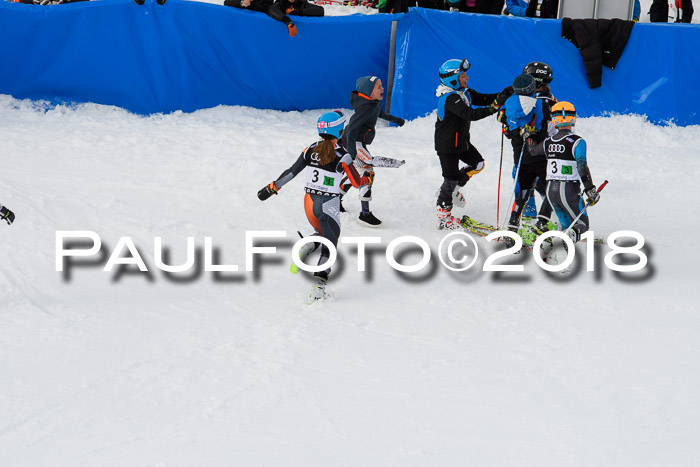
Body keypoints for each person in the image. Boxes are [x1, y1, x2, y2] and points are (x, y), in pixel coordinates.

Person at [256, 111, 371, 303]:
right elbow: (357, 183)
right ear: (341, 130)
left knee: (321, 232)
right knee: (329, 246)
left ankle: (304, 249)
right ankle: (318, 288)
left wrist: (272, 187)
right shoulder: (344, 156)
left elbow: (291, 172)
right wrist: (367, 178)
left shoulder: (310, 148)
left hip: (309, 202)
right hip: (329, 204)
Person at [434, 58, 512, 230]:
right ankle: (443, 216)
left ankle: (453, 190)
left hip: (461, 142)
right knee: (450, 179)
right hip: (447, 147)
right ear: (452, 79)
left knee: (478, 164)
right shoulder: (449, 98)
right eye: (463, 76)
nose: (467, 78)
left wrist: (503, 96)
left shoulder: (464, 92)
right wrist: (494, 108)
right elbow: (471, 115)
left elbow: (484, 98)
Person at [338, 76, 405, 227]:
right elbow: (351, 130)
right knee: (367, 172)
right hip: (353, 143)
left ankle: (336, 200)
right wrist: (352, 153)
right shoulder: (365, 108)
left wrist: (397, 120)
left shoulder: (373, 104)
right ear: (369, 91)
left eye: (382, 86)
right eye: (379, 87)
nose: (382, 89)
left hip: (358, 142)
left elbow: (380, 114)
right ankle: (365, 214)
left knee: (357, 172)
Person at [532, 101, 600, 243]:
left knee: (565, 225)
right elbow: (582, 166)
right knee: (582, 225)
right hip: (568, 189)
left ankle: (553, 249)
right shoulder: (578, 141)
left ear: (554, 119)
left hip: (550, 190)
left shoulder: (547, 142)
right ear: (573, 118)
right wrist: (590, 189)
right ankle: (565, 246)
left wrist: (527, 137)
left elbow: (532, 151)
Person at [500, 74, 553, 246]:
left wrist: (509, 126)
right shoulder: (539, 104)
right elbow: (548, 129)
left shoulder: (509, 103)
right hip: (539, 156)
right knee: (551, 191)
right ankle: (543, 223)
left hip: (521, 157)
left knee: (522, 192)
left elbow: (507, 127)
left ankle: (512, 230)